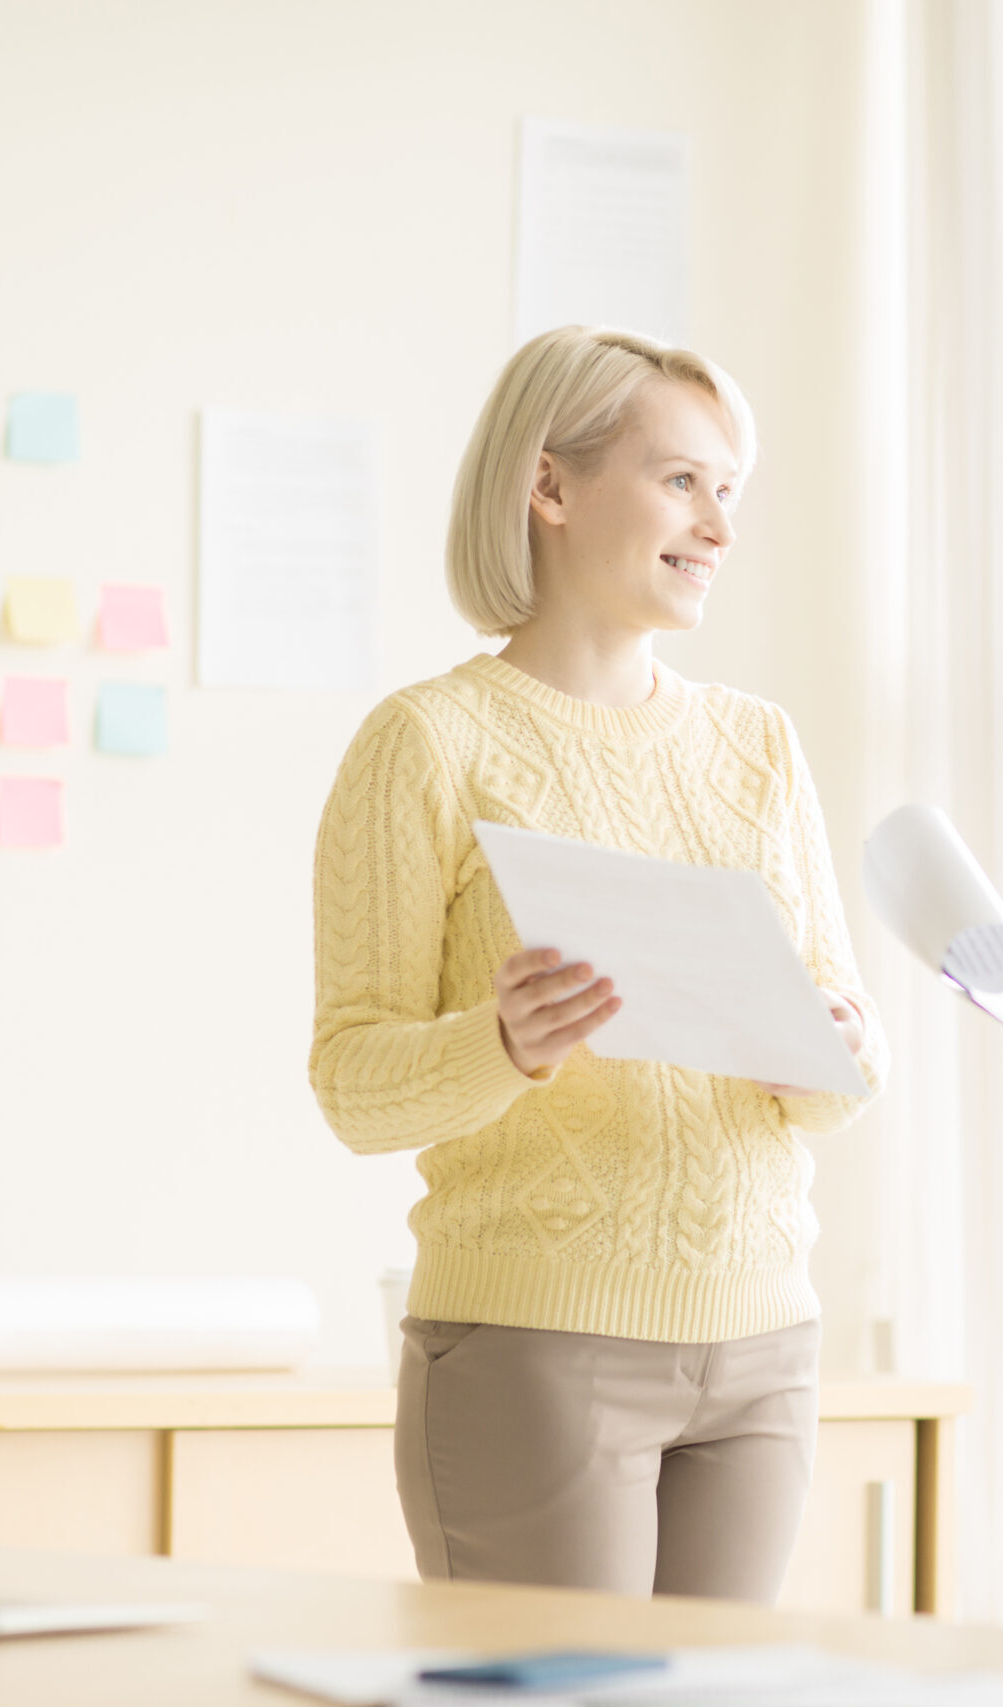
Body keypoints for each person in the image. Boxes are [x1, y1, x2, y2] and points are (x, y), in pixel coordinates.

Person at [308, 325, 886, 1604]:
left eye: (728, 490)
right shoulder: (426, 743)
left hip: (763, 1345)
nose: (717, 527)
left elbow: (835, 1084)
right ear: (550, 486)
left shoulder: (758, 745)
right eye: (681, 480)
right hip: (536, 1344)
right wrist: (501, 1045)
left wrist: (847, 1049)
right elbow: (353, 1084)